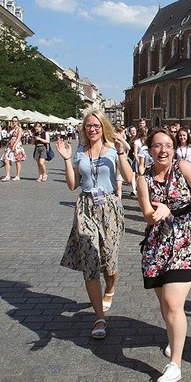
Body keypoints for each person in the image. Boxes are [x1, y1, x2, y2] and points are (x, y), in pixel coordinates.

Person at [137, 128, 191, 382]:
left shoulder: (182, 167)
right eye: (158, 145)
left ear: (174, 149)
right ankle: (174, 338)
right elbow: (148, 214)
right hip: (157, 243)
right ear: (149, 150)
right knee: (165, 304)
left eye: (168, 145)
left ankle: (175, 365)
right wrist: (157, 212)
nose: (163, 150)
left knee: (172, 303)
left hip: (186, 239)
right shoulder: (143, 179)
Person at [56, 110, 133, 339]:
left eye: (96, 125)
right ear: (83, 128)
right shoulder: (79, 151)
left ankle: (110, 287)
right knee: (90, 261)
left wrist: (121, 152)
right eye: (88, 125)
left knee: (110, 263)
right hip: (85, 207)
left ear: (103, 127)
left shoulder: (113, 149)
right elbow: (73, 185)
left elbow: (129, 178)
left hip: (109, 207)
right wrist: (67, 159)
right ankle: (99, 317)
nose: (92, 129)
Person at [1, 117, 26, 181]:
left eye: (15, 121)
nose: (14, 122)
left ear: (18, 122)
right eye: (13, 121)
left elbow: (18, 137)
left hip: (16, 145)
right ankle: (7, 175)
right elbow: (9, 138)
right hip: (10, 145)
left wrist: (14, 145)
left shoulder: (19, 129)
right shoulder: (11, 129)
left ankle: (17, 176)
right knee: (6, 159)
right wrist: (6, 146)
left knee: (17, 161)